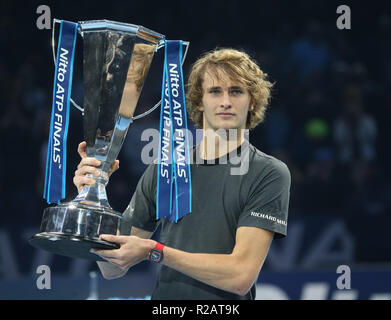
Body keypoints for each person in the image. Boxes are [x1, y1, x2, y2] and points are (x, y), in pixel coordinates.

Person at [73, 48, 291, 300]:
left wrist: (154, 251)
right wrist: (91, 197)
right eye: (215, 91)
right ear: (200, 100)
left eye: (236, 91)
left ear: (252, 101)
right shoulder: (164, 169)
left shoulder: (268, 172)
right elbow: (111, 267)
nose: (225, 102)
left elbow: (240, 277)